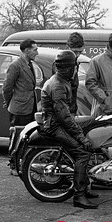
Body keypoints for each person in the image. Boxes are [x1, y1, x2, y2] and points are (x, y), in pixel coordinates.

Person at [41, 50, 98, 209]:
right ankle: (79, 195)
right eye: (74, 67)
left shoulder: (63, 79)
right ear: (67, 68)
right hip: (55, 125)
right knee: (82, 152)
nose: (76, 70)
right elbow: (64, 117)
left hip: (63, 121)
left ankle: (86, 185)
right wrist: (81, 137)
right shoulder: (57, 86)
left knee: (94, 123)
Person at [3, 38, 39, 126]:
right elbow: (7, 88)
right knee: (18, 135)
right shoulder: (15, 66)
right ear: (27, 51)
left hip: (30, 109)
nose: (37, 53)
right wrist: (10, 103)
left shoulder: (30, 64)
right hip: (20, 111)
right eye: (35, 50)